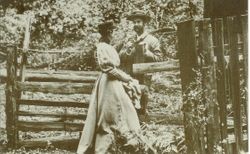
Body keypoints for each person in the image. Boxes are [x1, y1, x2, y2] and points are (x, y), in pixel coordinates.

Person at [77, 21, 142, 154]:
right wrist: (125, 78)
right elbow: (107, 68)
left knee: (124, 110)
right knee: (108, 116)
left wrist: (125, 78)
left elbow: (115, 65)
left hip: (114, 83)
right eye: (112, 31)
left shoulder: (108, 46)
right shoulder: (101, 46)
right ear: (108, 32)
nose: (113, 34)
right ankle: (105, 148)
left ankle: (125, 142)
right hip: (108, 84)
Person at [118, 10, 162, 115]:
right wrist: (126, 51)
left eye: (138, 22)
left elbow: (159, 59)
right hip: (129, 77)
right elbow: (119, 57)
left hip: (144, 79)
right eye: (134, 22)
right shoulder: (129, 40)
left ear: (144, 23)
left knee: (141, 106)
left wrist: (147, 53)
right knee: (128, 105)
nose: (136, 24)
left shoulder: (152, 40)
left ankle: (142, 126)